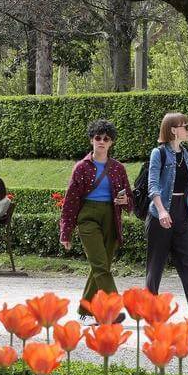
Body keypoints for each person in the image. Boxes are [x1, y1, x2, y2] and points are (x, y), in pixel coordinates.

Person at [59, 119, 132, 321]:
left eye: (106, 138)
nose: (101, 141)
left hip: (111, 216)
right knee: (100, 265)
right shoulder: (81, 168)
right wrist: (65, 232)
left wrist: (125, 200)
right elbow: (70, 202)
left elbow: (130, 200)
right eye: (97, 138)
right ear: (91, 140)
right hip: (88, 217)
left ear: (111, 143)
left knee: (101, 266)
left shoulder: (118, 168)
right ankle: (112, 310)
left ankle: (86, 310)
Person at [145, 112, 188, 310]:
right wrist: (162, 211)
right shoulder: (159, 153)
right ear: (173, 130)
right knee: (156, 263)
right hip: (161, 213)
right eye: (185, 126)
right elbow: (153, 185)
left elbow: (187, 185)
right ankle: (149, 306)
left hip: (182, 211)